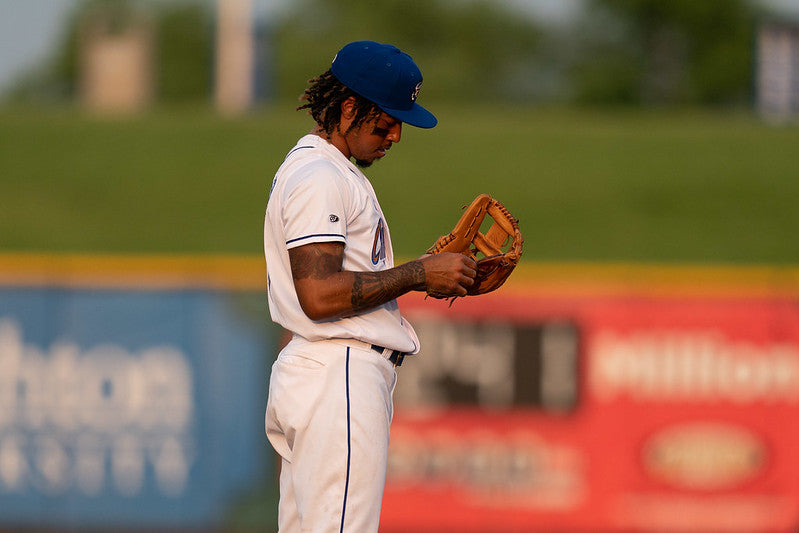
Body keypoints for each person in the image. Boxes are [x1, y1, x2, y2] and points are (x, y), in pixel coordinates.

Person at [263, 41, 476, 532]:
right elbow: (319, 296)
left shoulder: (322, 169)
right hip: (336, 373)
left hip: (321, 372)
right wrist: (418, 274)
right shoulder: (320, 176)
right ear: (350, 107)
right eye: (386, 121)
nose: (396, 134)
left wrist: (427, 270)